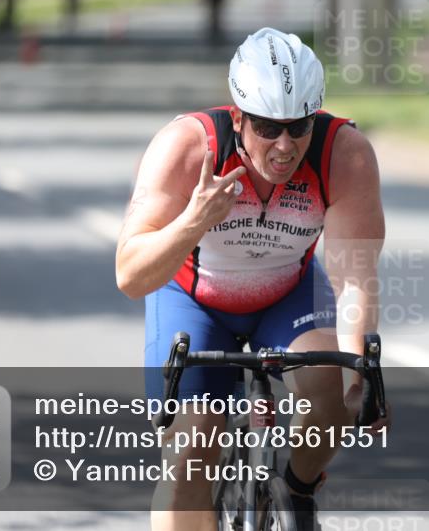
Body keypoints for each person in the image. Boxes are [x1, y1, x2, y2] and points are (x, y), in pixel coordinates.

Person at [116, 28, 387, 531]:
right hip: (193, 298)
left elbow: (354, 275)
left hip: (287, 295)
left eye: (299, 125)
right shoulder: (186, 149)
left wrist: (360, 374)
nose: (285, 146)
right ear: (237, 116)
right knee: (192, 451)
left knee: (330, 394)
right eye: (266, 127)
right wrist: (194, 222)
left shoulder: (343, 154)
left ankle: (298, 488)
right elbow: (131, 275)